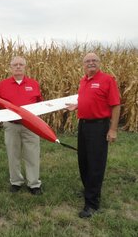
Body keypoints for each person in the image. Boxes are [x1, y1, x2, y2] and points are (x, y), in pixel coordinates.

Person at [66, 52, 120, 218]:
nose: (91, 63)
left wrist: (113, 129)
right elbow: (89, 99)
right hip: (83, 125)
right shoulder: (83, 80)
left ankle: (92, 204)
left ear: (99, 63)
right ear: (83, 64)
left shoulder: (107, 80)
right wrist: (77, 105)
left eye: (94, 60)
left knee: (96, 164)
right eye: (88, 61)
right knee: (83, 160)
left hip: (99, 127)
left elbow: (116, 105)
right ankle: (88, 189)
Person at [0, 56, 44, 195]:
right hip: (12, 125)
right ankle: (16, 181)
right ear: (10, 67)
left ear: (25, 67)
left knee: (32, 153)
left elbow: (39, 102)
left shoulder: (33, 83)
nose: (18, 67)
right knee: (13, 153)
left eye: (20, 64)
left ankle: (34, 184)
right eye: (15, 65)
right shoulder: (3, 84)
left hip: (31, 125)